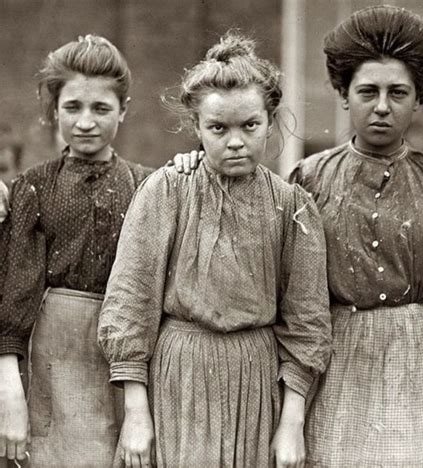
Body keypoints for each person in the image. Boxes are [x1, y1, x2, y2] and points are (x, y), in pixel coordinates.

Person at [98, 32, 332, 468]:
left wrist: (291, 422)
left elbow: (308, 320)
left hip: (255, 383)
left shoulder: (291, 206)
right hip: (178, 379)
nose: (236, 141)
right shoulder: (167, 191)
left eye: (250, 125)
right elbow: (130, 302)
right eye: (218, 128)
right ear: (196, 127)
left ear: (270, 119)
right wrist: (136, 414)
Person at [290, 6, 423, 466]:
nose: (382, 107)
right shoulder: (306, 180)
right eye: (367, 92)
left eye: (399, 93)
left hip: (422, 366)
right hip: (335, 367)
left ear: (420, 99)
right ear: (343, 94)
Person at [0, 34, 152, 468]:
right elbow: (15, 299)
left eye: (101, 108)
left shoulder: (147, 185)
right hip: (51, 361)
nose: (86, 121)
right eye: (73, 107)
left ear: (123, 110)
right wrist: (10, 391)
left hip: (123, 362)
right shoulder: (33, 186)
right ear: (54, 112)